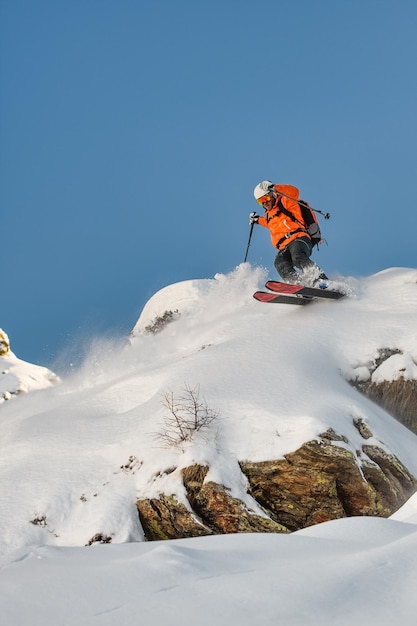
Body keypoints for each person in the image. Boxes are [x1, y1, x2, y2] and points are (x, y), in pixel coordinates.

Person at [250, 180, 328, 286]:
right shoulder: (269, 215)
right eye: (260, 201)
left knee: (297, 256)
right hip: (284, 246)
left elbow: (294, 191)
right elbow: (270, 224)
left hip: (299, 239)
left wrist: (275, 187)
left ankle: (321, 280)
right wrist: (257, 220)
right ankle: (297, 284)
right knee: (279, 262)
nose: (265, 203)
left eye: (266, 198)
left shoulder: (286, 202)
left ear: (272, 195)